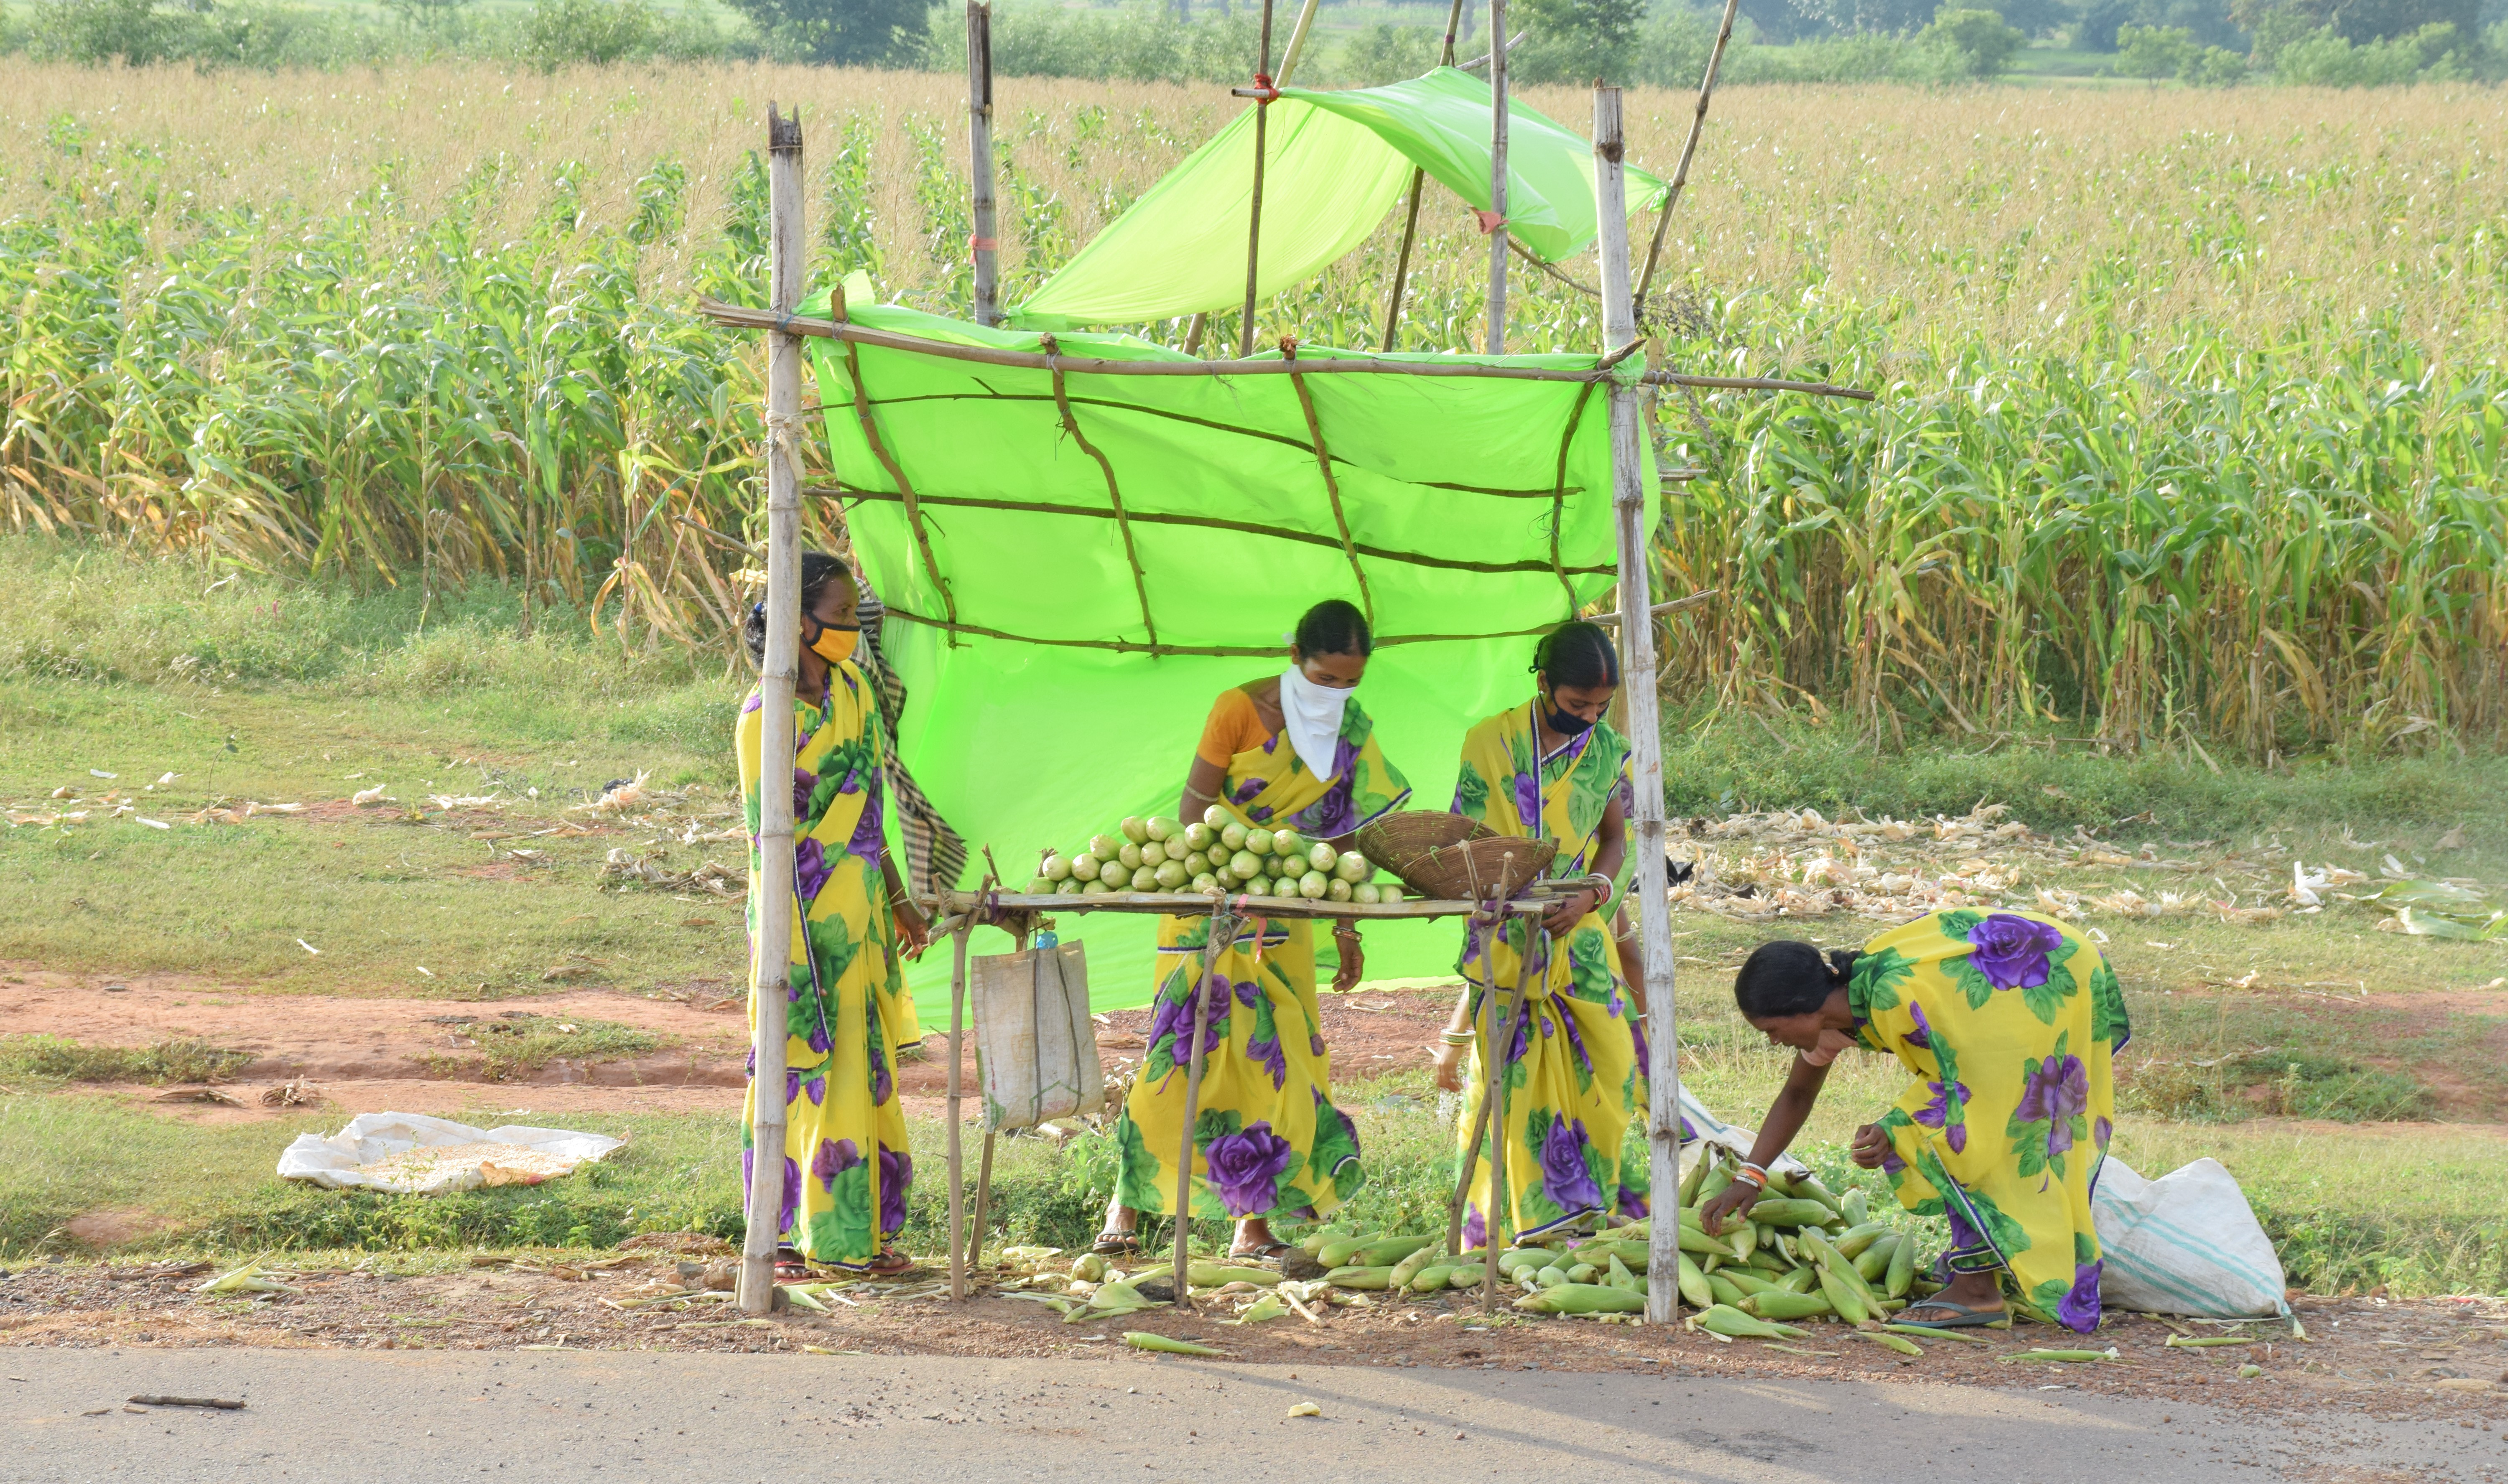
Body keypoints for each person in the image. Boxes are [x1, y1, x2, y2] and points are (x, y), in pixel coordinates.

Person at [1097, 600, 1412, 1261]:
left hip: (1290, 910)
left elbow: (1344, 833)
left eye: (1349, 680)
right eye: (1325, 677)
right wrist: (1250, 858)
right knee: (1180, 1052)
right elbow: (1193, 808)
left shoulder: (1350, 728)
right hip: (1211, 897)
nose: (1337, 691)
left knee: (1278, 1055)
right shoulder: (1237, 707)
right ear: (1295, 655)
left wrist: (1347, 928)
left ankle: (1254, 1224)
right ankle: (1126, 1206)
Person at [1698, 912, 2130, 1331]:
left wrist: (1892, 1129)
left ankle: (1977, 1289)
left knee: (1964, 1132)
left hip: (2047, 969)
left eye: (1773, 1029)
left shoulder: (1891, 997)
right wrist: (1751, 1175)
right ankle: (1986, 1261)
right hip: (2035, 967)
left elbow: (1961, 1080)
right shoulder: (1841, 1007)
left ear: (1803, 1009)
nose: (1775, 1041)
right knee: (1974, 1128)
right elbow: (1797, 1094)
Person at [737, 552, 932, 1277]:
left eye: (855, 618)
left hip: (861, 921)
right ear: (798, 621)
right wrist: (794, 941)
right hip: (799, 920)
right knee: (796, 1068)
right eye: (841, 618)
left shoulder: (855, 690)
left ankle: (858, 1234)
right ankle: (784, 1234)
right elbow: (773, 838)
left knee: (858, 1069)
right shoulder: (766, 715)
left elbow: (869, 815)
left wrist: (901, 902)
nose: (852, 631)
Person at [1430, 621, 1649, 1246]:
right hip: (1507, 937)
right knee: (1510, 1087)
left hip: (1580, 942)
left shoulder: (1607, 751)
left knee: (1606, 1077)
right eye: (1578, 704)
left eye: (1602, 706)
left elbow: (1615, 841)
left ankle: (1593, 1219)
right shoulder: (1490, 741)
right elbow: (1463, 838)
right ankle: (1519, 1231)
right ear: (1545, 681)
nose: (1590, 716)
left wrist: (1589, 895)